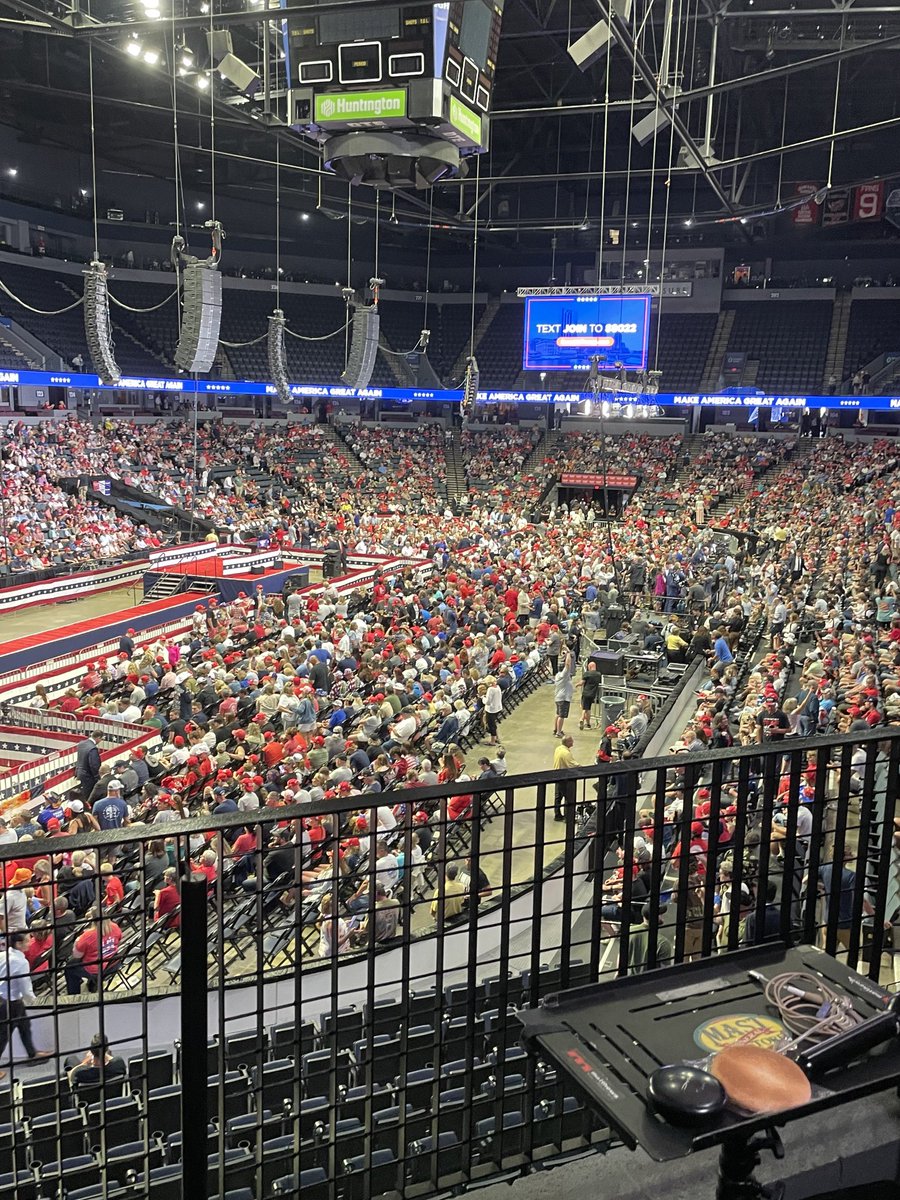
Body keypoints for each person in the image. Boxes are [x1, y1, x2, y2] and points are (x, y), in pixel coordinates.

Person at [0, 931, 52, 1076]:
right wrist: (34, 1000)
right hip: (10, 1003)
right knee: (3, 1036)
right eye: (27, 941)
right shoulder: (21, 963)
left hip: (7, 1000)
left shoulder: (3, 955)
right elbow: (25, 988)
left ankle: (32, 1054)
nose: (30, 943)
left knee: (24, 1026)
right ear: (18, 944)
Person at [65, 910, 123, 995]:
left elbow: (77, 956)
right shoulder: (115, 926)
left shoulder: (87, 936)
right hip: (113, 963)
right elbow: (118, 942)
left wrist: (77, 942)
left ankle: (74, 996)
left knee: (69, 968)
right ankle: (92, 984)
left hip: (96, 969)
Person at [552, 735, 577, 821]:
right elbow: (572, 764)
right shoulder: (566, 753)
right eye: (571, 741)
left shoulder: (558, 749)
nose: (573, 742)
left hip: (557, 775)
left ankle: (557, 815)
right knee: (568, 797)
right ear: (567, 742)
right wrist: (583, 769)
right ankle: (568, 817)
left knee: (558, 797)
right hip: (564, 777)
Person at [553, 647, 575, 737]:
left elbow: (567, 665)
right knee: (561, 716)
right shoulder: (563, 675)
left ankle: (556, 729)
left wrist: (565, 655)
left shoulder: (557, 675)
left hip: (558, 697)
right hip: (563, 698)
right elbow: (568, 664)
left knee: (558, 714)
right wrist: (568, 653)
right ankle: (558, 732)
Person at [578, 660, 601, 730]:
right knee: (588, 708)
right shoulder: (598, 674)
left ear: (590, 667)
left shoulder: (587, 674)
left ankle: (581, 719)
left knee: (584, 708)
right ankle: (588, 724)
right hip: (593, 694)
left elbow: (582, 682)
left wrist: (577, 684)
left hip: (586, 692)